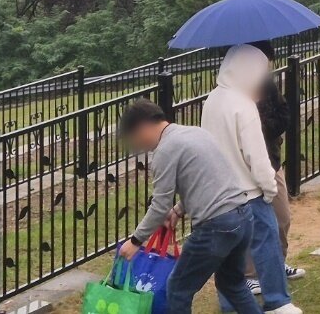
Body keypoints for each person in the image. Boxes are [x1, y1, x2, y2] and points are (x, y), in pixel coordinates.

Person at [116, 99, 272, 314]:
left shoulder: (165, 150)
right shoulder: (196, 133)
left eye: (134, 138)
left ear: (143, 126)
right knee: (232, 284)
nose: (137, 146)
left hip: (217, 226)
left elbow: (160, 204)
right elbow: (208, 180)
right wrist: (179, 209)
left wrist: (135, 241)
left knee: (178, 288)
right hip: (243, 216)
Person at [201, 46, 298, 314]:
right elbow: (257, 156)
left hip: (220, 195)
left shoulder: (213, 100)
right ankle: (277, 300)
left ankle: (229, 303)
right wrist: (268, 190)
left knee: (229, 255)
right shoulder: (243, 106)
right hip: (250, 192)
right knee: (267, 244)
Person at [245, 42, 302, 289]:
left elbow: (283, 114)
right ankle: (249, 275)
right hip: (245, 167)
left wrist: (263, 129)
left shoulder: (267, 84)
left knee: (281, 216)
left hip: (271, 158)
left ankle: (277, 264)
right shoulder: (233, 90)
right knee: (250, 221)